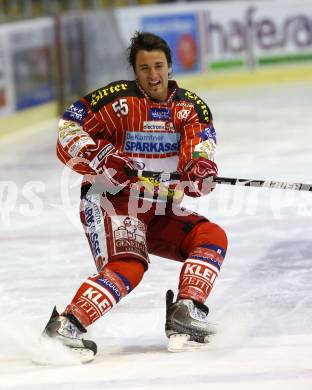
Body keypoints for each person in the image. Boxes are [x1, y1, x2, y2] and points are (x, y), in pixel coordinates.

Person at [42, 31, 227, 362]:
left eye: (159, 66)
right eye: (144, 68)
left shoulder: (191, 109)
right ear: (135, 71)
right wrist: (97, 155)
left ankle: (187, 311)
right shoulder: (116, 102)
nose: (153, 76)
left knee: (210, 236)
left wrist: (201, 169)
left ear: (170, 67)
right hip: (109, 200)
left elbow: (200, 154)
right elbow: (69, 127)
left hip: (157, 205)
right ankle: (66, 326)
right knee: (129, 265)